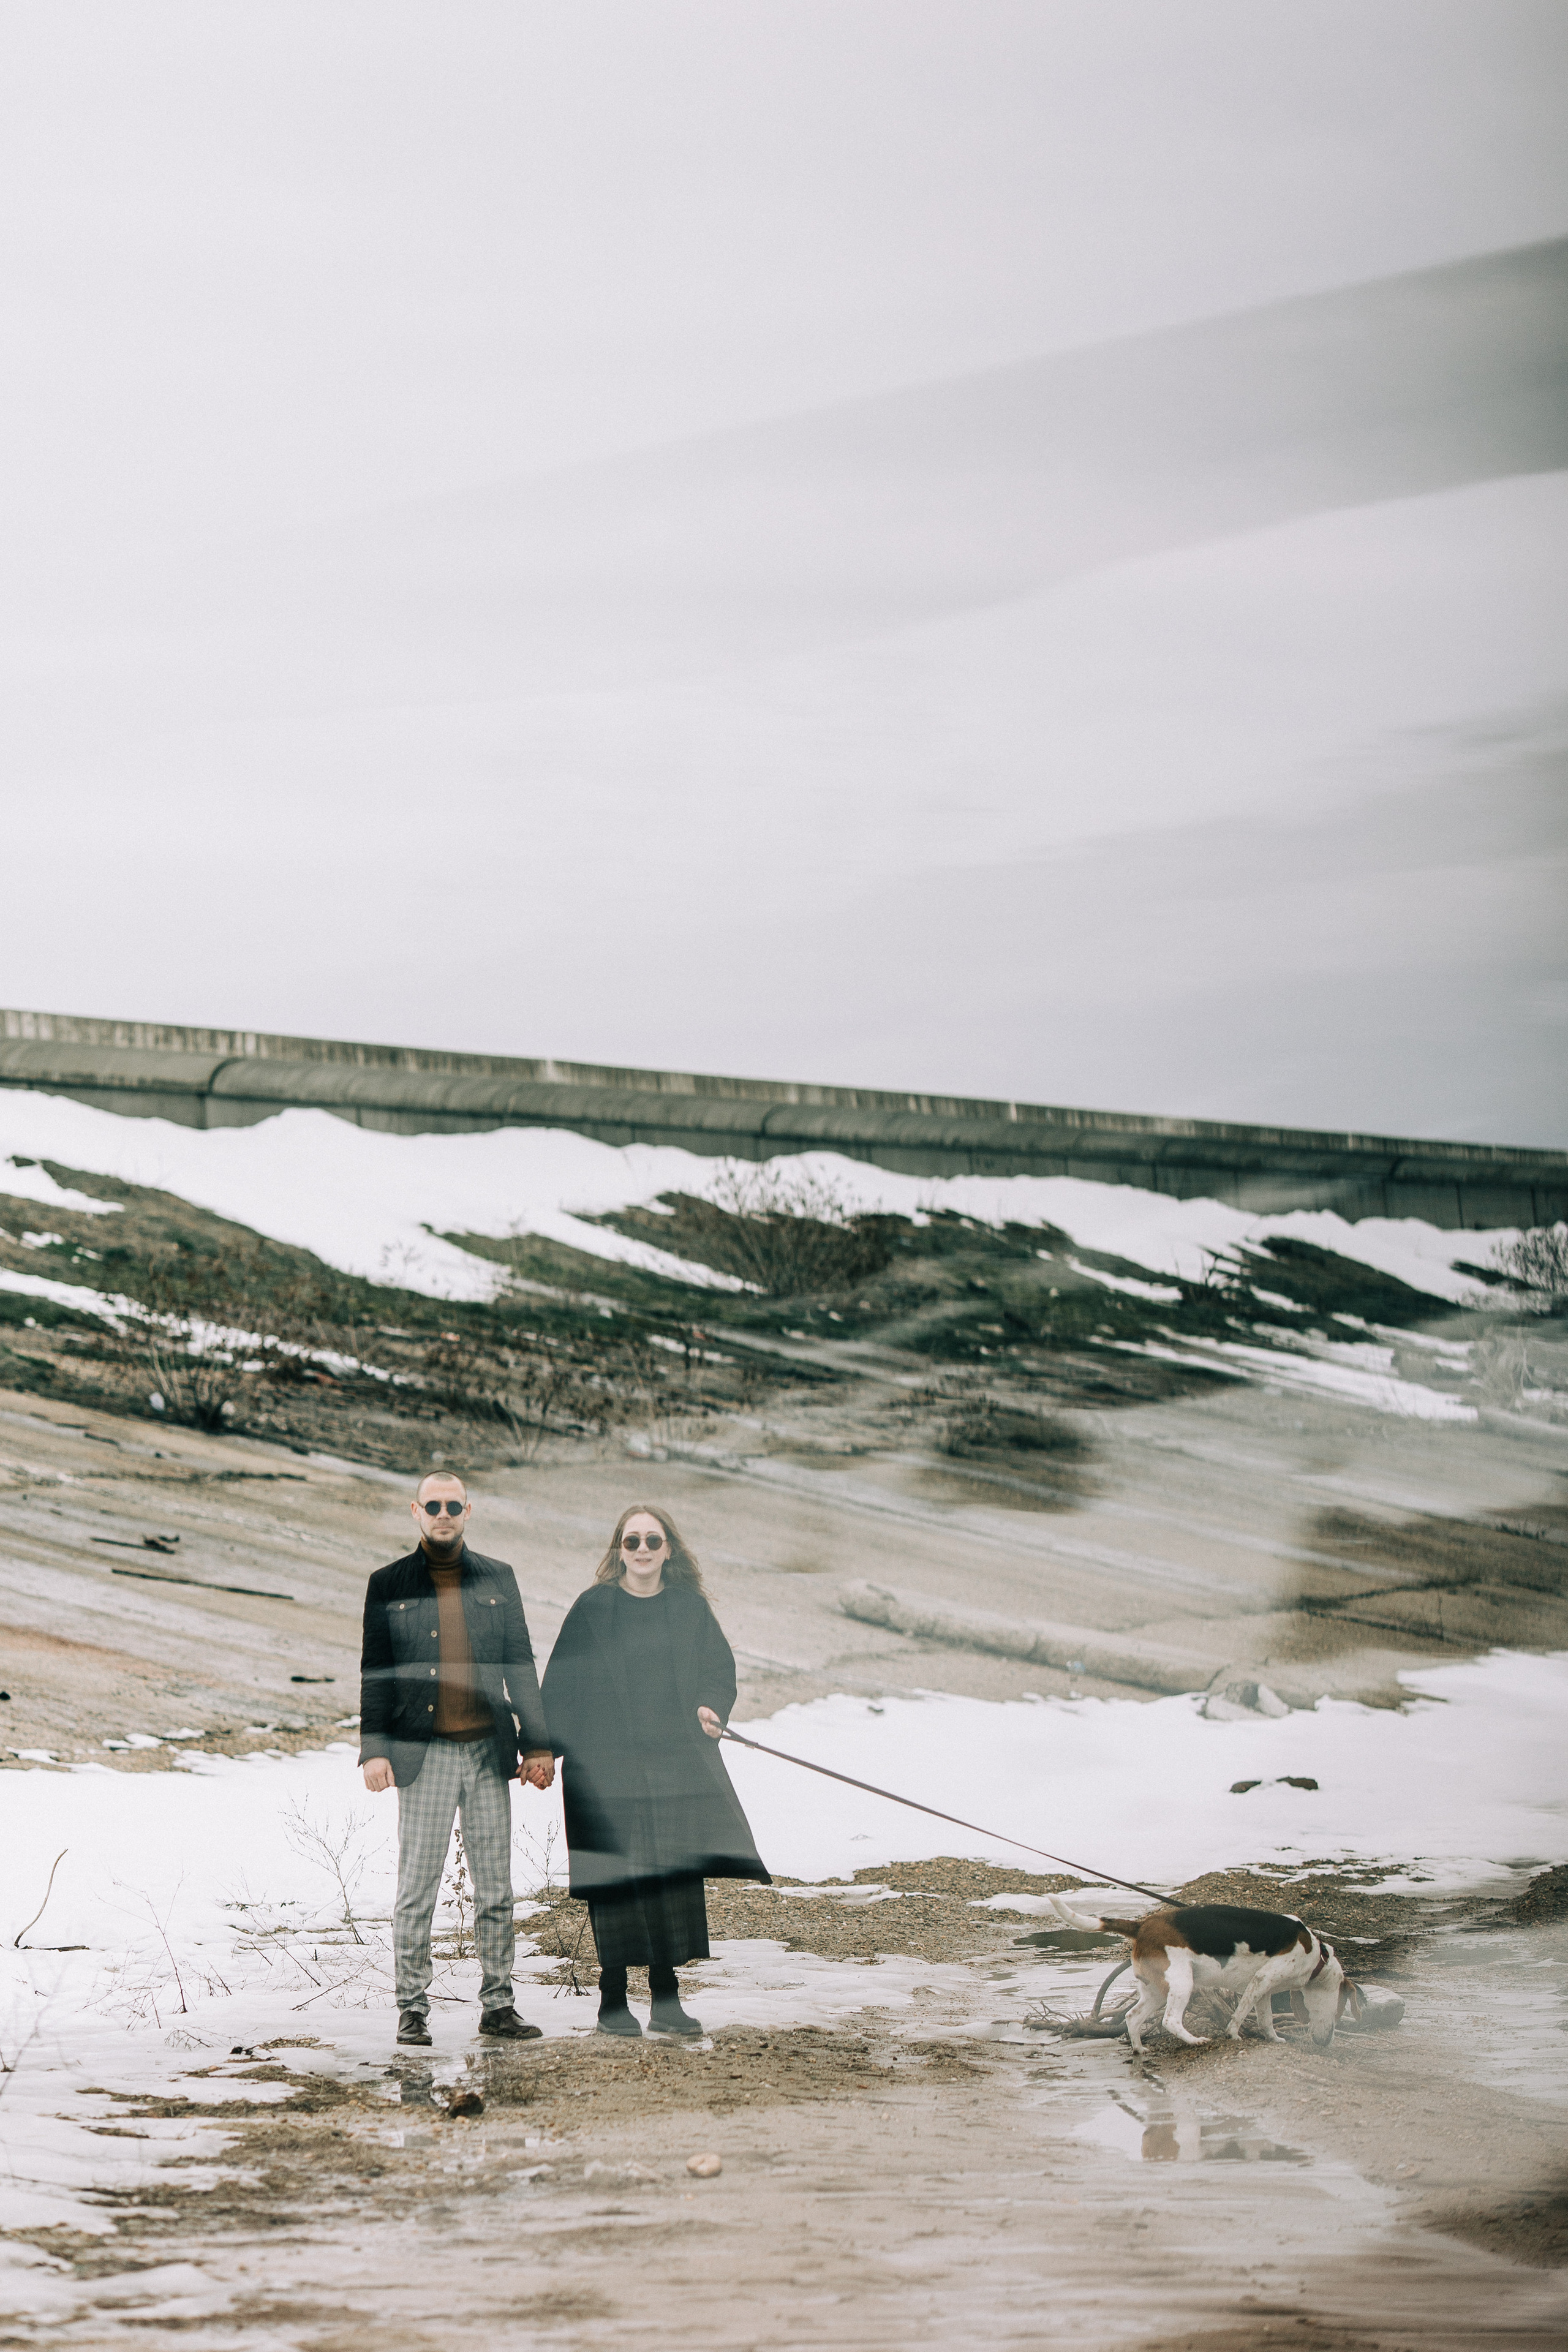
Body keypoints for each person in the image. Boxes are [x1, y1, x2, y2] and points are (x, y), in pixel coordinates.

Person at [541, 1504, 769, 2038]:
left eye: (652, 1540)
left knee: (671, 1880)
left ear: (669, 1550)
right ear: (618, 1550)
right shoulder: (594, 1607)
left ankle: (667, 1999)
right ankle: (612, 2001)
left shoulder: (689, 1608)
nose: (642, 1550)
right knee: (615, 1883)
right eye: (632, 1541)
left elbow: (718, 1670)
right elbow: (562, 1682)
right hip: (603, 1767)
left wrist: (712, 1707)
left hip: (674, 1765)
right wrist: (541, 1749)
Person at [360, 1470, 555, 2048]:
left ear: (468, 1511)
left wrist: (538, 1744)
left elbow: (520, 1664)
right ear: (415, 1512)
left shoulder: (498, 1577)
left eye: (453, 1506)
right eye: (433, 1506)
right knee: (417, 1888)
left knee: (496, 1888)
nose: (443, 1515)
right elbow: (376, 1673)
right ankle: (412, 2010)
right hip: (423, 1755)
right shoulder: (388, 1582)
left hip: (488, 1753)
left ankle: (499, 2006)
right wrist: (374, 1750)